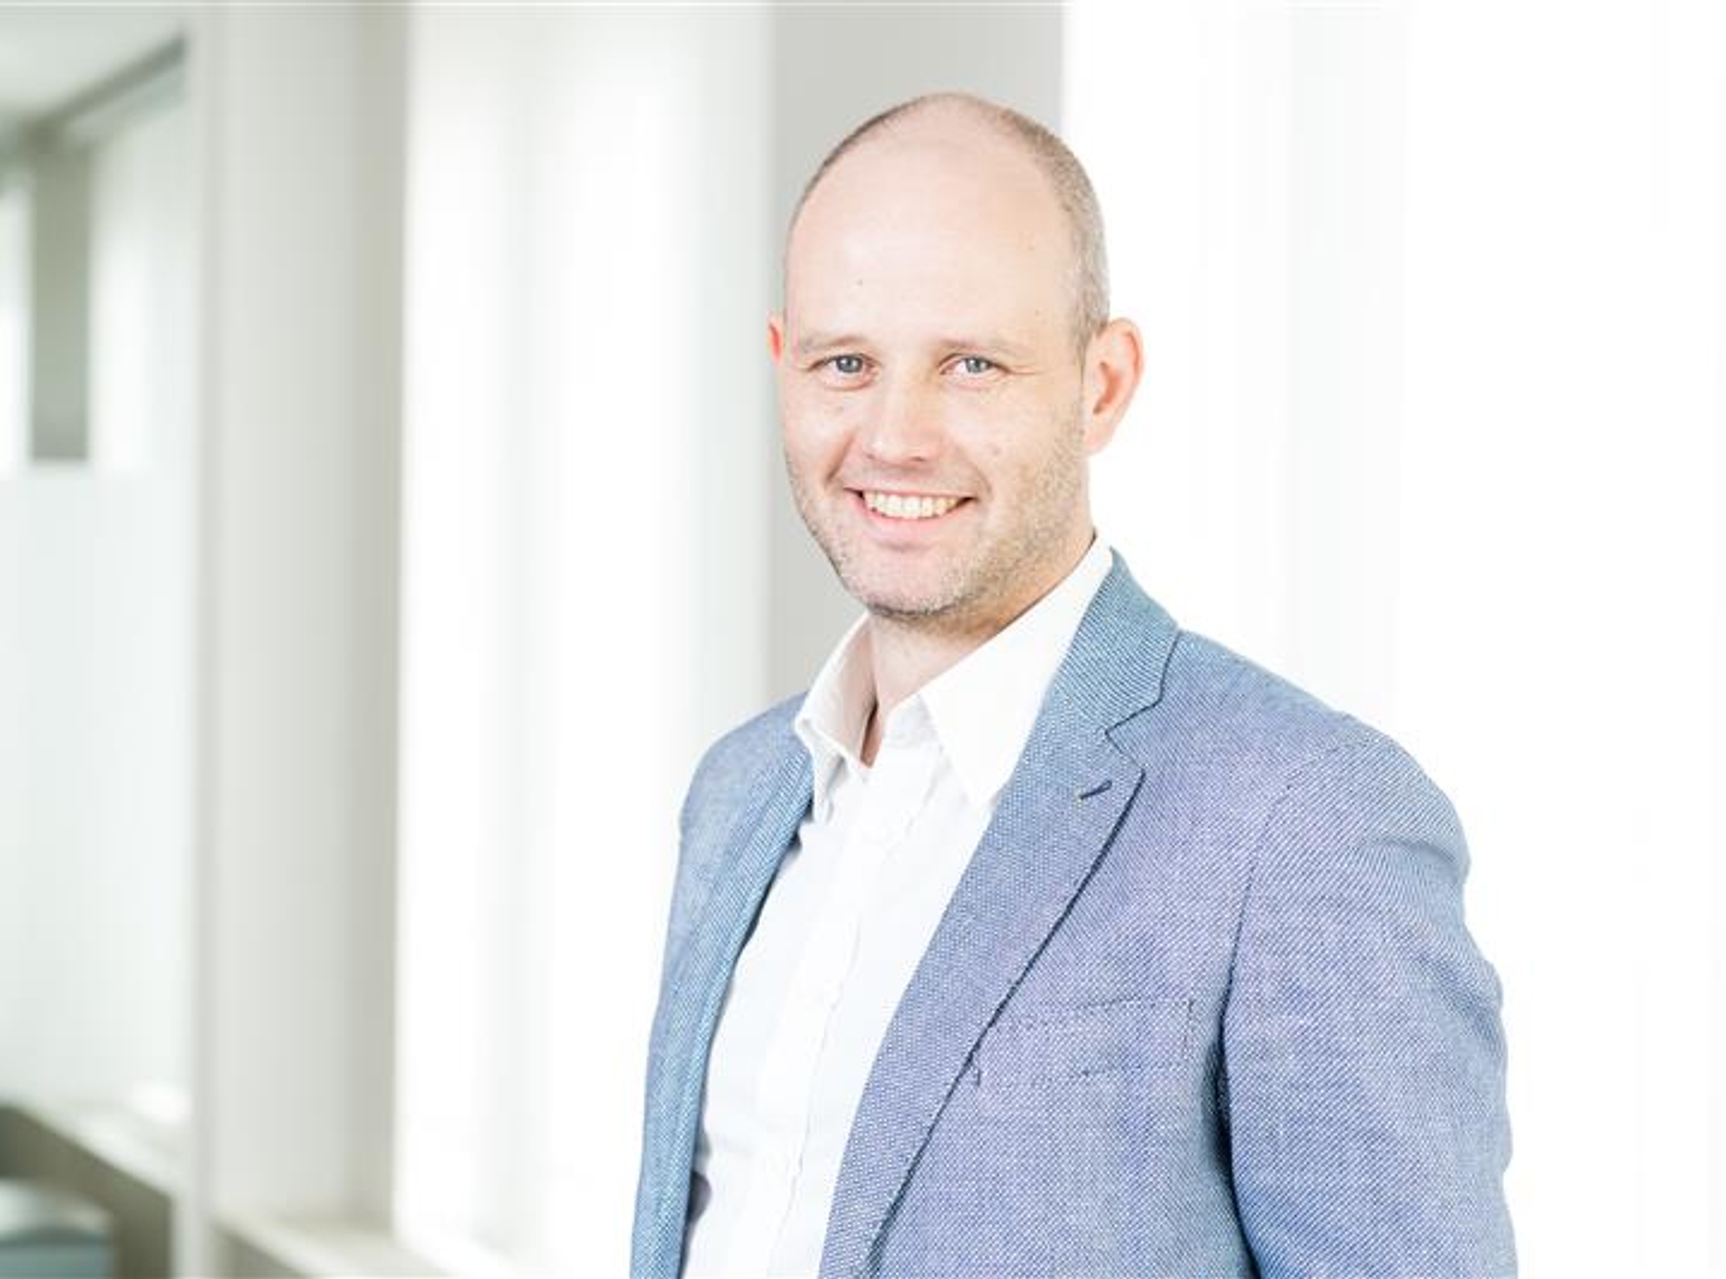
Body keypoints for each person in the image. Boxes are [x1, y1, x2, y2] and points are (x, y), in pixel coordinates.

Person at [630, 92, 1515, 1278]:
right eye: (847, 363)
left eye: (972, 364)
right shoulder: (738, 792)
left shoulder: (1305, 821)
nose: (895, 435)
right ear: (784, 363)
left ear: (1103, 383)